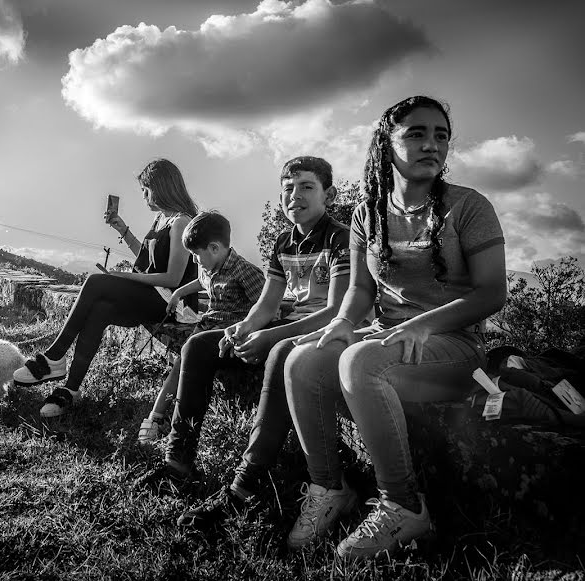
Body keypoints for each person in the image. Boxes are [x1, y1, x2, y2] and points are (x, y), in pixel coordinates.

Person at [282, 96, 506, 559]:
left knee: (362, 361)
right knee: (303, 358)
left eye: (441, 135)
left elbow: (490, 294)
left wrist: (422, 326)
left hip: (454, 348)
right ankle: (329, 488)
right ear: (387, 144)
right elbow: (361, 292)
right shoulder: (370, 213)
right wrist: (343, 322)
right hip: (388, 335)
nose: (432, 145)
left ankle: (403, 505)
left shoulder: (468, 206)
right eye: (417, 134)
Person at [136, 156, 352, 493]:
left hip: (325, 334)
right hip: (288, 327)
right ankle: (177, 460)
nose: (295, 195)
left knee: (279, 352)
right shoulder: (284, 241)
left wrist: (268, 335)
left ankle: (245, 483)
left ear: (330, 194)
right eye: (288, 189)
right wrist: (243, 328)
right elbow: (266, 305)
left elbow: (336, 311)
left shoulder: (340, 239)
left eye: (307, 187)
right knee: (197, 345)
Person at [13, 158, 200, 418]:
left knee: (94, 281)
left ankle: (54, 357)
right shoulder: (162, 220)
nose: (144, 197)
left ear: (161, 187)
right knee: (99, 309)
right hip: (151, 297)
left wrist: (124, 277)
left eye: (146, 190)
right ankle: (71, 389)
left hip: (170, 304)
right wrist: (121, 228)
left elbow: (172, 277)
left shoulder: (181, 222)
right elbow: (146, 261)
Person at [137, 211, 265, 445]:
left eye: (196, 255)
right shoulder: (210, 266)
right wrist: (177, 293)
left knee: (189, 366)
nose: (194, 260)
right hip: (205, 328)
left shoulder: (246, 272)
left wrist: (246, 330)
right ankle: (157, 416)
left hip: (229, 334)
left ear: (215, 248)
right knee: (181, 365)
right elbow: (201, 282)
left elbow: (267, 307)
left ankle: (173, 422)